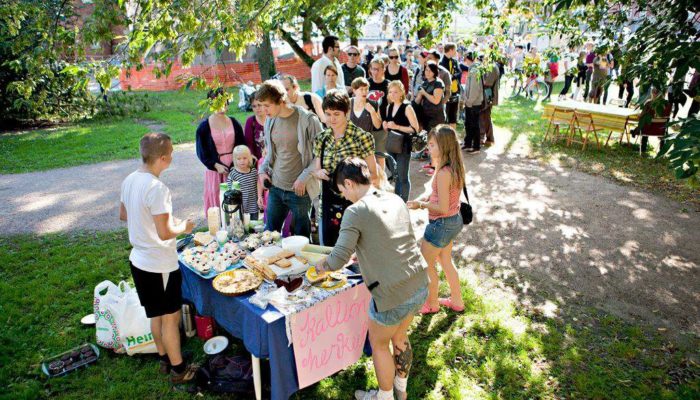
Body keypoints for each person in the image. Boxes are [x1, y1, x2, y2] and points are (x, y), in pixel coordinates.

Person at [316, 157, 428, 400]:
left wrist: (318, 267)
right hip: (418, 281)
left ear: (349, 183)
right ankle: (401, 390)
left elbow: (336, 260)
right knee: (400, 334)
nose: (344, 197)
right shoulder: (394, 197)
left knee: (379, 344)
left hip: (391, 293)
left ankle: (384, 396)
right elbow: (394, 238)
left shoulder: (355, 211)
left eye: (343, 190)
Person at [120, 133, 197, 384]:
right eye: (172, 152)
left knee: (154, 315)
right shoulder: (157, 188)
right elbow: (164, 233)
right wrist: (183, 227)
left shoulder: (130, 179)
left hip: (139, 260)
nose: (173, 155)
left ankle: (164, 359)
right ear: (163, 158)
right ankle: (179, 370)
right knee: (170, 318)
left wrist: (152, 225)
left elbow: (125, 215)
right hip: (159, 263)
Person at [407, 125, 466, 315]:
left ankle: (432, 304)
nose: (428, 148)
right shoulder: (453, 166)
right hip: (452, 221)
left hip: (440, 225)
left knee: (427, 265)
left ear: (444, 146)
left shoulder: (443, 173)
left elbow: (441, 207)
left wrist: (420, 206)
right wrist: (425, 199)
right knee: (445, 260)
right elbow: (441, 196)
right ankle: (456, 301)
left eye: (432, 145)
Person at [257, 80, 324, 237]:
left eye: (267, 105)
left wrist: (304, 177)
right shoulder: (270, 121)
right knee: (269, 235)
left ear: (280, 101)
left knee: (301, 238)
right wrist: (262, 171)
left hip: (300, 191)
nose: (263, 110)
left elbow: (322, 154)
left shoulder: (308, 120)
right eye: (261, 105)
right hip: (276, 187)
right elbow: (271, 154)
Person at [311, 89, 377, 246]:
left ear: (346, 113)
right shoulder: (322, 138)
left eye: (336, 114)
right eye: (328, 114)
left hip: (355, 204)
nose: (331, 119)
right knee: (329, 251)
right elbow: (316, 170)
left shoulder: (361, 137)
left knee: (355, 255)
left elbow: (373, 173)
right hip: (328, 204)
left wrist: (351, 182)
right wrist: (319, 173)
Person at [195, 88, 245, 214]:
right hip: (215, 170)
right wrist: (215, 165)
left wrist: (236, 164)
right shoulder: (204, 127)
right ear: (211, 103)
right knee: (218, 201)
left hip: (235, 167)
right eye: (218, 103)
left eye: (225, 102)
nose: (223, 106)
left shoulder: (234, 122)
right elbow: (202, 152)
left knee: (236, 201)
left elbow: (241, 144)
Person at [383, 81, 420, 202]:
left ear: (401, 93)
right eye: (390, 92)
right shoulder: (389, 107)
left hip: (404, 145)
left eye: (395, 92)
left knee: (403, 176)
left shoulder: (407, 107)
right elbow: (389, 126)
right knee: (396, 175)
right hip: (392, 145)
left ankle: (403, 202)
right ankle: (397, 201)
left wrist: (397, 127)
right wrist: (386, 125)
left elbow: (415, 129)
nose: (392, 95)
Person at [350, 78, 385, 170]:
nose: (364, 92)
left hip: (367, 146)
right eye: (361, 89)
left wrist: (372, 112)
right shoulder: (348, 103)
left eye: (366, 89)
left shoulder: (373, 104)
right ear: (354, 90)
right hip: (350, 145)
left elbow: (378, 125)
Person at [226, 145, 259, 221]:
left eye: (245, 158)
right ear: (235, 160)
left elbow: (258, 186)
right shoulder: (233, 174)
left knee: (253, 228)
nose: (242, 161)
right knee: (241, 227)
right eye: (239, 159)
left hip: (253, 206)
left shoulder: (253, 172)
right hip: (240, 207)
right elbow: (229, 189)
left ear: (249, 158)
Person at [461, 53, 483, 153]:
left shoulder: (475, 70)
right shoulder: (472, 69)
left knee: (474, 124)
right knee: (468, 124)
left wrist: (469, 101)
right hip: (470, 101)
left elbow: (475, 89)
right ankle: (468, 143)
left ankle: (476, 146)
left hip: (474, 103)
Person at [415, 61, 446, 133]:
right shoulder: (425, 83)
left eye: (430, 70)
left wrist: (424, 93)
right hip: (426, 116)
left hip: (436, 117)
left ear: (435, 71)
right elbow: (417, 101)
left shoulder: (438, 83)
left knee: (436, 139)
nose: (428, 72)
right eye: (426, 70)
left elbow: (436, 101)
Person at [439, 43, 462, 129]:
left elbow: (459, 73)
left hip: (455, 91)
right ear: (451, 50)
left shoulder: (455, 61)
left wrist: (454, 76)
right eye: (455, 50)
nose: (456, 52)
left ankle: (453, 136)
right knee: (445, 116)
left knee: (453, 116)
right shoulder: (441, 63)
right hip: (446, 93)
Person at [479, 60, 501, 146]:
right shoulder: (490, 66)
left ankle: (489, 138)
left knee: (485, 116)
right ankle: (484, 137)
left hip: (487, 95)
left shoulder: (492, 67)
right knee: (483, 116)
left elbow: (487, 83)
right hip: (485, 95)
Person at [243, 93, 266, 159]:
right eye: (254, 106)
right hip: (257, 160)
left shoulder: (272, 119)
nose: (257, 108)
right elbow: (249, 143)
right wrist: (251, 156)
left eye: (259, 105)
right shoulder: (250, 121)